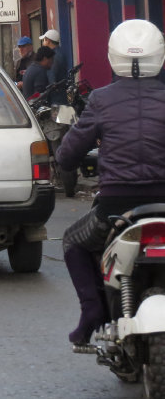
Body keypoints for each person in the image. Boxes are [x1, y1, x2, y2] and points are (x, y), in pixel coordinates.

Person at [55, 19, 165, 345]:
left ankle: (92, 312)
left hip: (117, 209)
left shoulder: (101, 100)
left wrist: (71, 164)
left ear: (113, 57)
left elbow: (66, 155)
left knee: (73, 242)